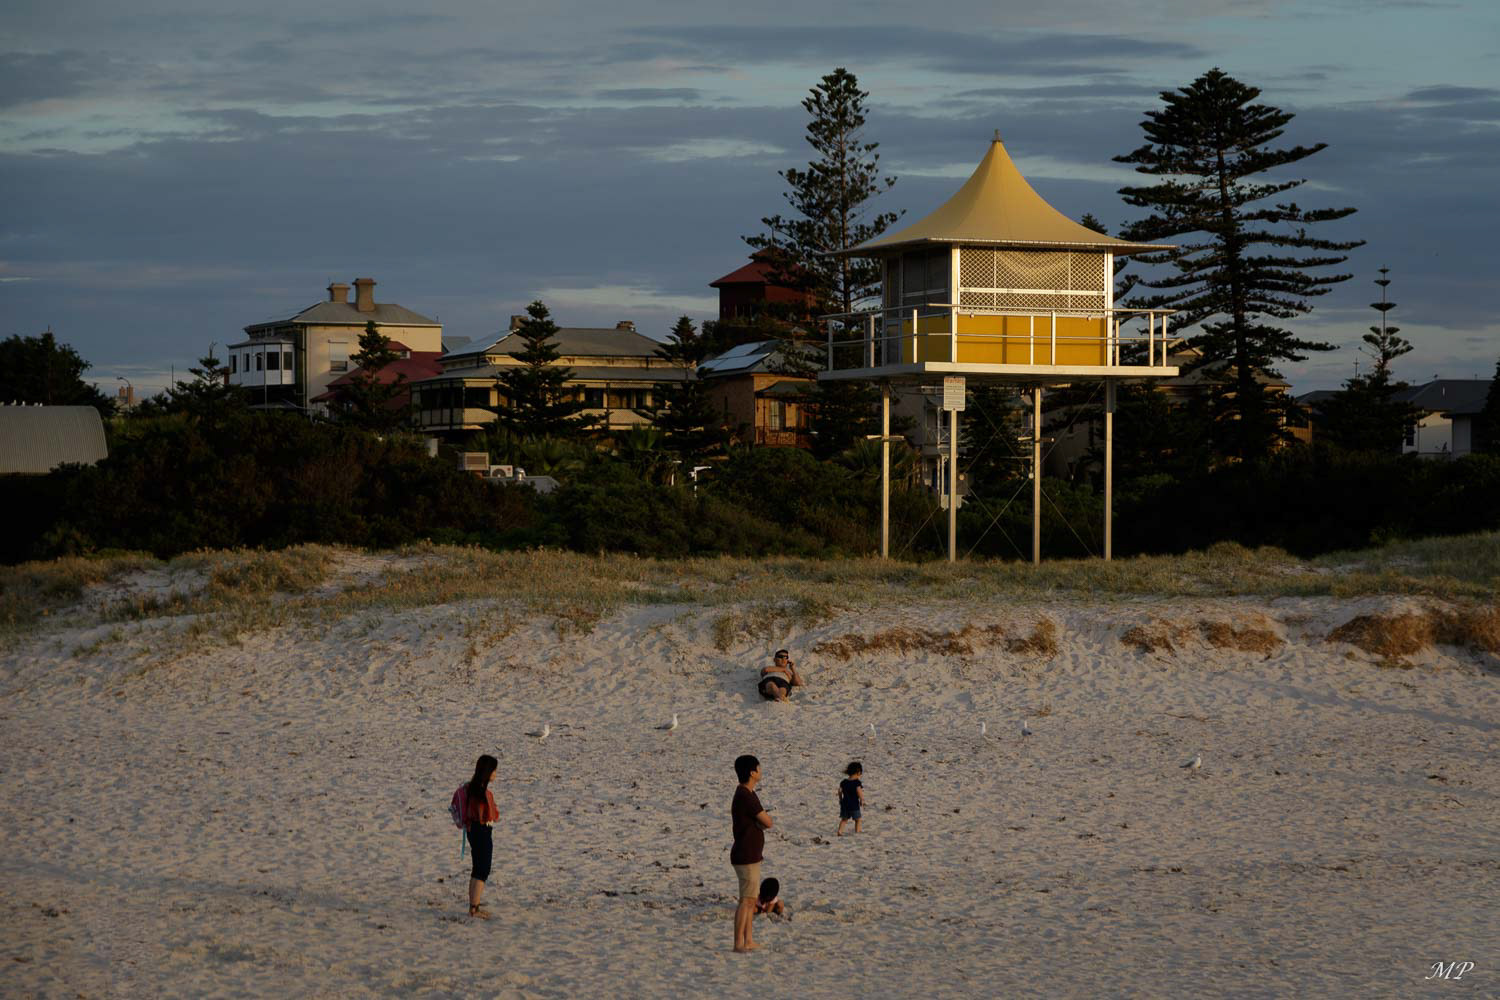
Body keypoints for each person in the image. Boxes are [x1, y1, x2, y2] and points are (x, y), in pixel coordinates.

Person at [730, 754, 773, 952]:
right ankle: (739, 943)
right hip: (745, 854)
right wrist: (760, 824)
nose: (761, 771)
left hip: (751, 853)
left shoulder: (748, 793)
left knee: (749, 900)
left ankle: (748, 940)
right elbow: (768, 822)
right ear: (752, 772)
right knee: (745, 902)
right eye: (759, 768)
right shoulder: (745, 796)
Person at [455, 754, 499, 919]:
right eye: (494, 770)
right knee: (483, 870)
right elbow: (489, 815)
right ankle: (475, 908)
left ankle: (473, 907)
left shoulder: (471, 788)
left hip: (473, 832)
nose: (496, 774)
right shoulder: (481, 792)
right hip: (481, 831)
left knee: (477, 868)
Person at [836, 761, 864, 836]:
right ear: (858, 772)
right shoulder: (857, 782)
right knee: (858, 820)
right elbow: (859, 791)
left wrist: (840, 799)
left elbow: (840, 791)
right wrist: (862, 799)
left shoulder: (844, 782)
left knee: (844, 819)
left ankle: (840, 831)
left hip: (845, 804)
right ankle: (857, 832)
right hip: (854, 804)